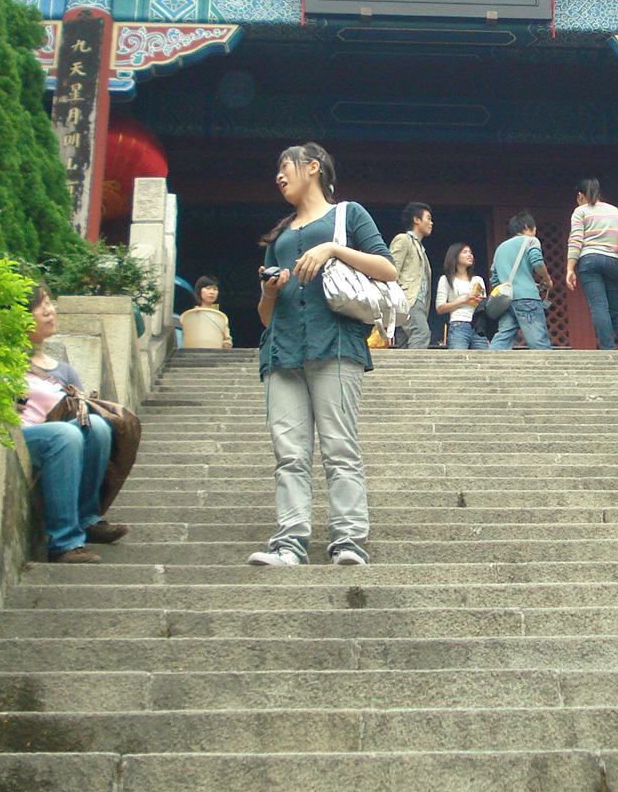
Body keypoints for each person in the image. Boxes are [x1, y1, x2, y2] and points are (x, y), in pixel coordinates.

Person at [249, 142, 396, 566]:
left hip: (335, 345)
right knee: (289, 454)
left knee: (339, 447)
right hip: (282, 350)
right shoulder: (279, 237)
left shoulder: (348, 214)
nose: (279, 175)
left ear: (313, 167)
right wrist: (269, 291)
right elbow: (265, 317)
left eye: (286, 166)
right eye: (277, 169)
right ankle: (289, 543)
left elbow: (387, 269)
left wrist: (332, 249)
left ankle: (349, 541)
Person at [19, 283, 129, 564]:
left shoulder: (63, 370)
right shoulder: (5, 360)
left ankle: (87, 518)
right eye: (39, 306)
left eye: (49, 303)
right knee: (64, 434)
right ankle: (64, 542)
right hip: (22, 434)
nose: (49, 311)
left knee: (98, 427)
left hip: (59, 433)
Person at [565, 178, 618, 350]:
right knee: (617, 311)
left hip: (589, 261)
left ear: (580, 196)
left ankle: (608, 349)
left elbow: (576, 240)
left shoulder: (580, 211)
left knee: (599, 306)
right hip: (614, 262)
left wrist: (570, 268)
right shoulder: (617, 212)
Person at [489, 211, 554, 351]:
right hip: (527, 299)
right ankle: (546, 365)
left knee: (503, 337)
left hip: (507, 301)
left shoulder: (500, 248)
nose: (535, 232)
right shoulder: (531, 240)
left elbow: (494, 278)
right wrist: (547, 279)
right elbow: (537, 262)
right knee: (538, 341)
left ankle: (489, 362)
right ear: (526, 226)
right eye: (534, 228)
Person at [388, 202, 434, 349]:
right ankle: (417, 365)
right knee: (421, 332)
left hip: (417, 302)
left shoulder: (420, 248)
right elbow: (391, 270)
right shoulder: (403, 239)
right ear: (416, 220)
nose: (431, 223)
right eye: (428, 218)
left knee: (404, 342)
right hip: (408, 298)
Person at [435, 243, 489, 350]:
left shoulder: (478, 280)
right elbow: (440, 308)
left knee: (483, 358)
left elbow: (484, 308)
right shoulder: (446, 279)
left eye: (470, 252)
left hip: (478, 325)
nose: (469, 255)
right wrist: (465, 300)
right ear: (455, 256)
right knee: (459, 357)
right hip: (458, 324)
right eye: (465, 252)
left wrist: (481, 302)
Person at [177, 276, 232, 348]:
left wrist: (227, 343)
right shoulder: (191, 314)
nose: (212, 292)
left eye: (215, 289)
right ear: (199, 291)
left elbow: (227, 339)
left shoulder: (220, 316)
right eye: (208, 288)